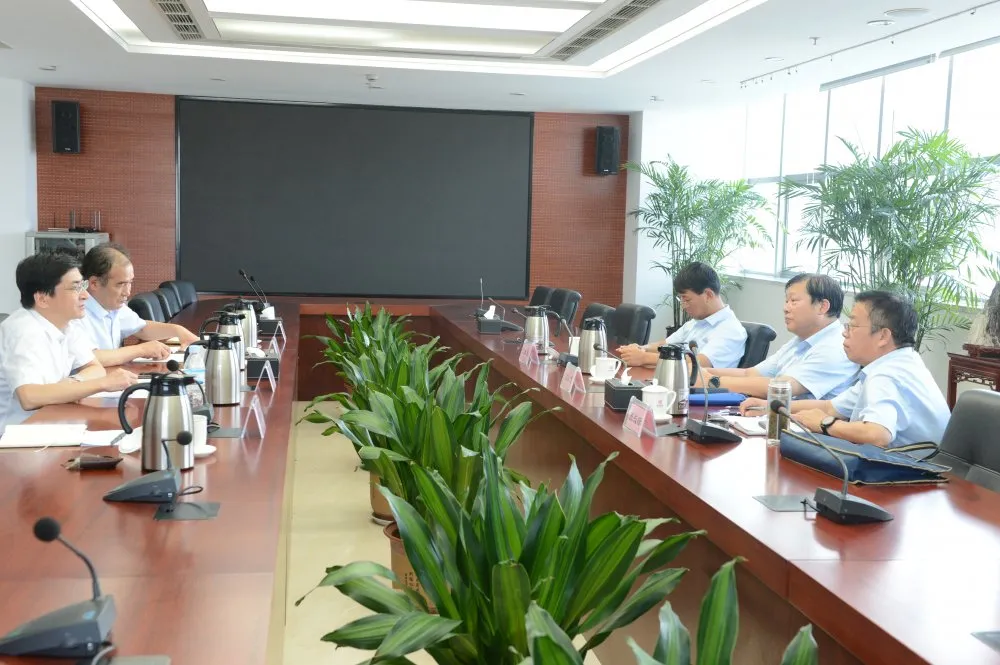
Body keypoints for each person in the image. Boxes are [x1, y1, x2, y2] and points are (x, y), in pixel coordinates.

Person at [741, 290, 949, 448]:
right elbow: (830, 407)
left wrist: (825, 424)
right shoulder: (898, 363)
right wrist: (772, 405)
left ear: (883, 336)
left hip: (912, 478)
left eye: (853, 326)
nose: (844, 333)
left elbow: (877, 434)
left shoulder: (887, 374)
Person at [0, 252, 138, 433]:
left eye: (83, 286)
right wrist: (103, 384)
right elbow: (29, 397)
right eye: (75, 288)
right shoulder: (22, 331)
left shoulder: (66, 323)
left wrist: (71, 383)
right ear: (42, 298)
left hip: (53, 420)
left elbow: (95, 367)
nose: (85, 295)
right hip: (16, 435)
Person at [701, 274, 858, 399]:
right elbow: (750, 374)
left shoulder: (835, 347)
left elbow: (780, 388)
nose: (785, 308)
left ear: (822, 306)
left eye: (793, 301)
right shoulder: (801, 340)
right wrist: (698, 372)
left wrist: (711, 381)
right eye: (786, 301)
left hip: (805, 428)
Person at [79, 243, 199, 366]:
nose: (127, 292)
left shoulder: (111, 304)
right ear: (94, 283)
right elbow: (88, 358)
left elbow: (141, 328)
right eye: (121, 284)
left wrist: (178, 331)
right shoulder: (76, 311)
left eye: (130, 282)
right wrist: (141, 350)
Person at [618, 262, 747, 369]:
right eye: (681, 300)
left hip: (698, 389)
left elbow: (699, 362)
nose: (683, 306)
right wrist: (641, 348)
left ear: (708, 295)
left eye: (687, 299)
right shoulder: (697, 322)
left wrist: (645, 358)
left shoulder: (730, 329)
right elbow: (666, 345)